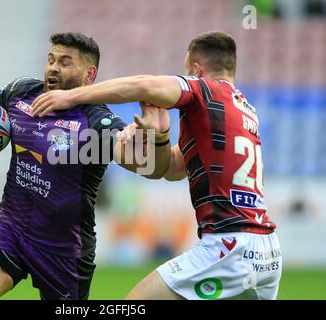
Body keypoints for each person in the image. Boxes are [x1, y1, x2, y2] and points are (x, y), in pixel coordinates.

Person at [31, 31, 282, 300]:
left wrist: (72, 97)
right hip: (266, 251)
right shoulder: (242, 110)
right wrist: (161, 137)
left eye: (186, 71)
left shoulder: (205, 89)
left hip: (229, 244)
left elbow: (144, 85)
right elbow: (173, 169)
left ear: (195, 69)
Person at [0, 32, 171, 300]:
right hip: (11, 228)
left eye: (65, 62)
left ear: (89, 74)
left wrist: (158, 138)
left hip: (64, 249)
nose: (53, 67)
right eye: (51, 59)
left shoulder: (97, 122)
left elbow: (148, 166)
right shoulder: (23, 93)